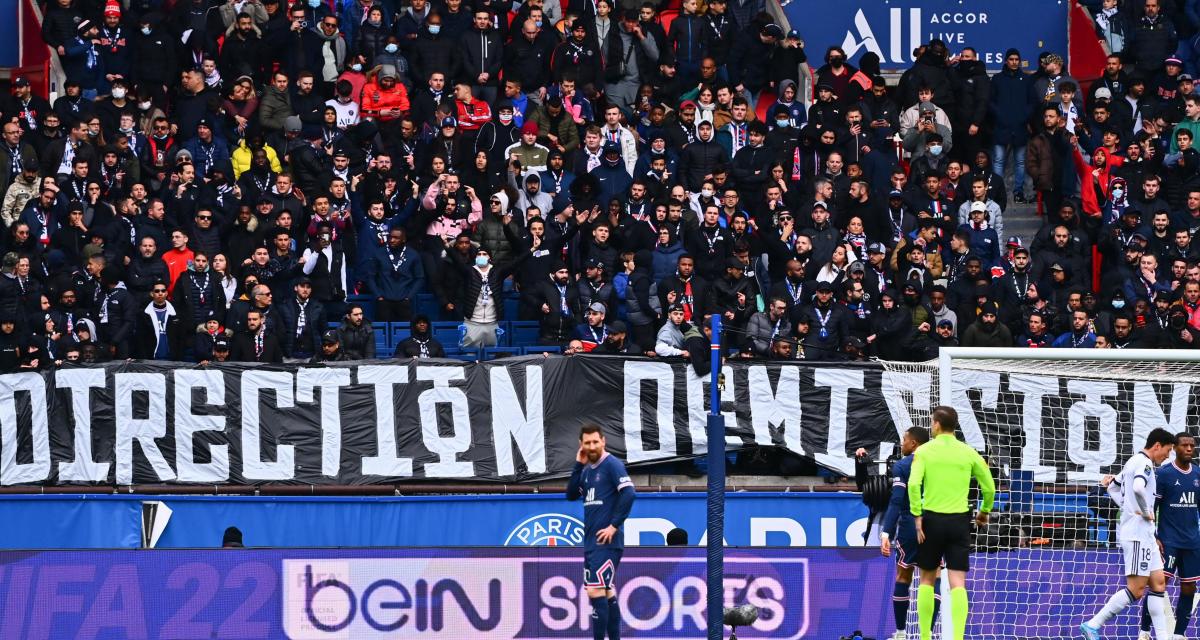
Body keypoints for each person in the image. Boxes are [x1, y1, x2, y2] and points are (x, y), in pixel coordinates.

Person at [907, 406, 996, 640]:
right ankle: (957, 637)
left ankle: (925, 636)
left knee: (926, 578)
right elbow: (989, 486)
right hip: (959, 521)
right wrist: (984, 511)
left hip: (932, 519)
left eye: (931, 422)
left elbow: (914, 485)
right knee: (958, 582)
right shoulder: (968, 452)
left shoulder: (924, 451)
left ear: (936, 424)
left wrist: (917, 516)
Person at [1082, 428, 1178, 640]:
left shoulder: (1133, 461)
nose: (1167, 456)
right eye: (1168, 450)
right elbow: (1137, 488)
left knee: (1158, 583)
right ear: (1157, 446)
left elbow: (1112, 488)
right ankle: (1092, 624)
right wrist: (1145, 512)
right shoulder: (1143, 463)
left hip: (1145, 535)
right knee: (1136, 590)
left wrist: (1129, 509)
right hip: (1136, 536)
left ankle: (1163, 637)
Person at [566, 423, 637, 640]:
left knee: (594, 591)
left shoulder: (612, 465)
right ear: (581, 445)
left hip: (606, 542)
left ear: (603, 441)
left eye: (596, 441)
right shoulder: (587, 470)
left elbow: (629, 493)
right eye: (587, 442)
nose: (592, 446)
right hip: (591, 543)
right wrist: (578, 465)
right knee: (606, 592)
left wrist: (613, 526)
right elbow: (570, 494)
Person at [1136, 432, 1200, 640]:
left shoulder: (1198, 474)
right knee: (1158, 584)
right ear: (1175, 449)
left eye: (1192, 445)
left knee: (1189, 587)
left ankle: (1179, 634)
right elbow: (1151, 507)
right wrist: (1153, 536)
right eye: (1184, 446)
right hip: (1168, 541)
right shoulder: (1164, 474)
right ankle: (1144, 630)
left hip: (1192, 543)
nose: (1189, 449)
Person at [881, 426, 936, 640]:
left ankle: (902, 633)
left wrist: (886, 532)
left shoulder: (903, 466)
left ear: (914, 443)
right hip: (936, 523)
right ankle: (927, 633)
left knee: (903, 576)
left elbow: (895, 501)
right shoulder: (936, 464)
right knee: (933, 577)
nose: (901, 444)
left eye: (904, 440)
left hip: (910, 524)